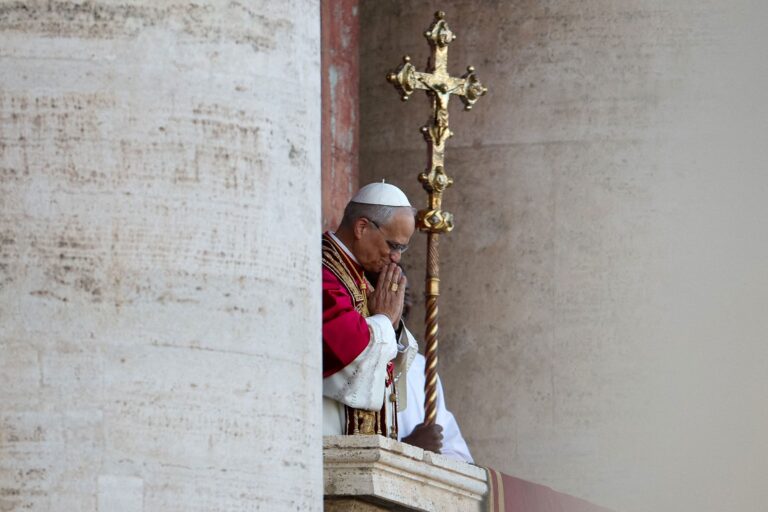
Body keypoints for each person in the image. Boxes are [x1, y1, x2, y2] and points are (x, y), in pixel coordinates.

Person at [322, 182, 418, 438]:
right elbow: (343, 349)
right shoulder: (322, 270)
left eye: (402, 248)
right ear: (362, 227)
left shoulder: (361, 278)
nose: (397, 257)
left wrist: (393, 326)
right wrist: (385, 320)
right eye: (394, 245)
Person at [396, 281, 474, 463]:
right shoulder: (352, 360)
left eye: (406, 291)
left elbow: (458, 455)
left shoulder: (422, 368)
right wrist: (407, 449)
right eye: (394, 288)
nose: (405, 301)